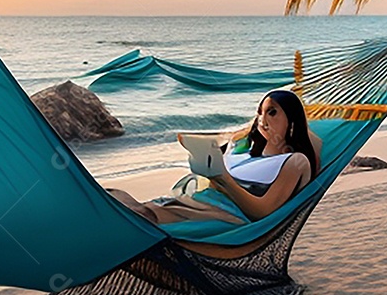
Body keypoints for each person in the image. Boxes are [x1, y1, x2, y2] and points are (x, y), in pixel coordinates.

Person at [109, 90, 321, 225]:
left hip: (227, 213)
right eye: (260, 113)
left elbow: (263, 212)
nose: (262, 120)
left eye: (272, 112)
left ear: (292, 119)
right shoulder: (245, 150)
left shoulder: (295, 161)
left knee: (139, 216)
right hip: (201, 199)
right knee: (114, 196)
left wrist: (223, 179)